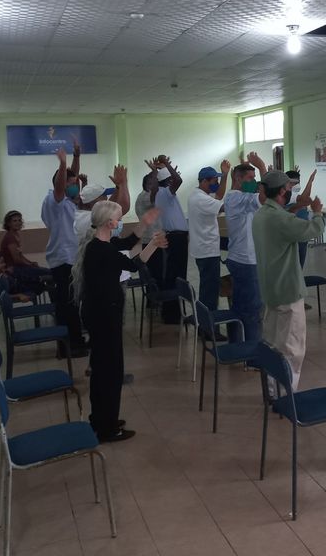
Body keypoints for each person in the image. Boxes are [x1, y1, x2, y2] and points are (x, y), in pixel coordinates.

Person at [71, 200, 166, 442]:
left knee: (102, 368)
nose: (121, 222)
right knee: (111, 372)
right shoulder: (102, 251)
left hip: (100, 314)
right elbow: (133, 264)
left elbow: (127, 242)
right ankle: (108, 428)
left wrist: (144, 223)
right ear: (110, 223)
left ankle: (100, 419)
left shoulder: (100, 244)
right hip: (104, 317)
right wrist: (153, 245)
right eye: (120, 218)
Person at [252, 170, 325, 390]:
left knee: (273, 344)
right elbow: (313, 229)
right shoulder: (280, 219)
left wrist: (297, 207)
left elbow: (285, 220)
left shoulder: (262, 214)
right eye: (289, 188)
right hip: (288, 291)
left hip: (271, 290)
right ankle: (287, 396)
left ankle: (272, 391)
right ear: (282, 191)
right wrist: (317, 212)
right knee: (292, 348)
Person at [41, 144, 88, 358]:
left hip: (69, 258)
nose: (75, 186)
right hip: (63, 260)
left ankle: (74, 341)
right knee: (67, 305)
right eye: (71, 184)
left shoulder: (67, 201)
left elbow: (72, 177)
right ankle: (70, 345)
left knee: (70, 303)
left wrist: (76, 156)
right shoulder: (55, 200)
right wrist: (62, 163)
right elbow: (61, 186)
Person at [223, 153, 266, 343]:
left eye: (255, 178)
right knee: (253, 310)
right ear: (238, 179)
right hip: (245, 261)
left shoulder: (241, 197)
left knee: (240, 307)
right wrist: (262, 167)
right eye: (250, 178)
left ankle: (237, 345)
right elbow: (265, 197)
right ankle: (252, 351)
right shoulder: (235, 198)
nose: (253, 182)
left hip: (241, 258)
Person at [188, 161, 231, 310]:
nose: (216, 184)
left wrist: (225, 175)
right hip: (207, 251)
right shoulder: (201, 199)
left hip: (202, 249)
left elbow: (218, 195)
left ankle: (206, 319)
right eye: (214, 181)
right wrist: (239, 194)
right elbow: (224, 206)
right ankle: (209, 321)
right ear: (204, 181)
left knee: (208, 286)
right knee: (210, 291)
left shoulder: (198, 195)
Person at [150, 155, 187, 323]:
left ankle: (171, 312)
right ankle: (173, 314)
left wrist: (155, 171)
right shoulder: (166, 192)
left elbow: (158, 185)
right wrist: (166, 163)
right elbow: (178, 179)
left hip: (174, 237)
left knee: (172, 275)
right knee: (177, 276)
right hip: (177, 238)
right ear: (168, 181)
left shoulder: (157, 194)